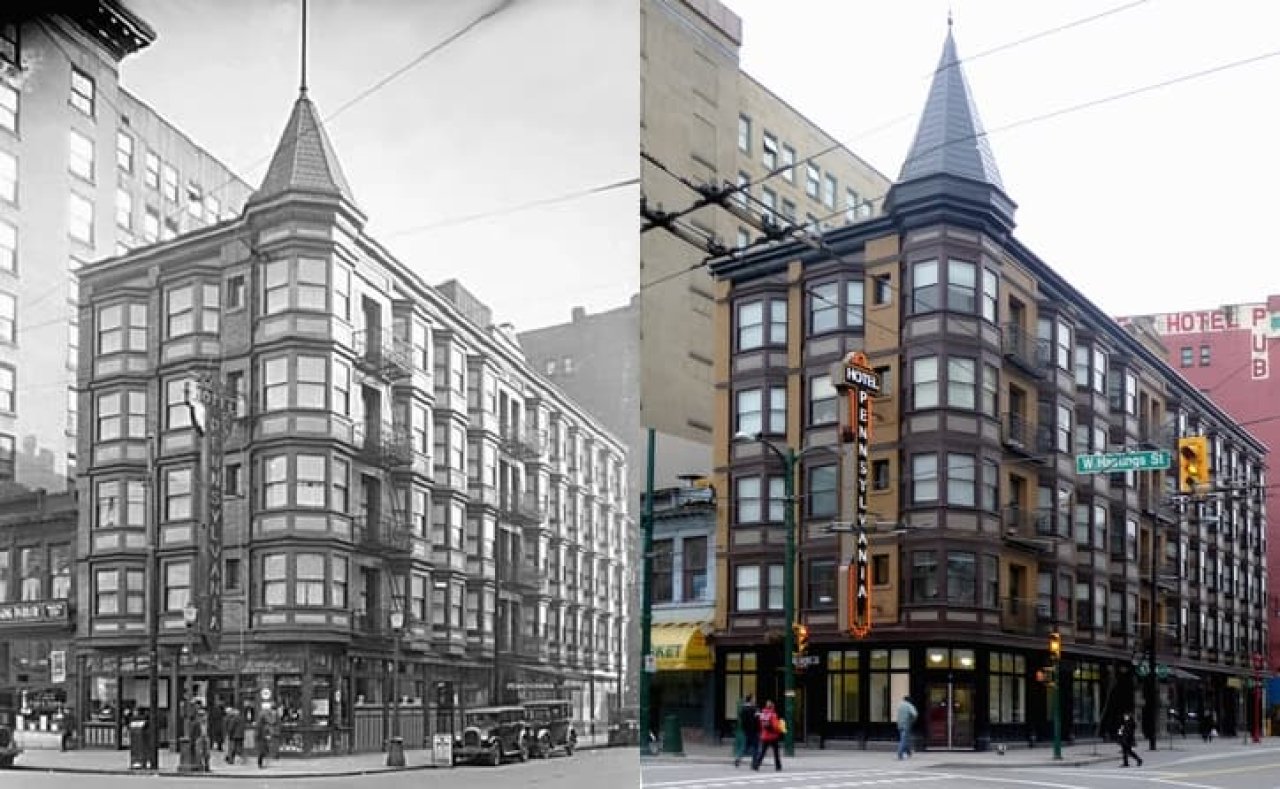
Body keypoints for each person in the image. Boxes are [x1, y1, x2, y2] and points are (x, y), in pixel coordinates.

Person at [751, 700, 782, 772]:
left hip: (765, 736)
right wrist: (779, 729)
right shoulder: (773, 714)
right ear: (772, 706)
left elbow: (760, 724)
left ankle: (756, 765)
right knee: (776, 752)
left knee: (762, 752)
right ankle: (778, 766)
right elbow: (775, 726)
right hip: (773, 736)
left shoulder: (763, 714)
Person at [734, 693, 758, 768]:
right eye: (754, 699)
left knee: (746, 746)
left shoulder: (743, 709)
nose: (755, 700)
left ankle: (738, 758)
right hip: (753, 730)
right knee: (755, 746)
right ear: (751, 700)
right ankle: (754, 763)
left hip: (746, 730)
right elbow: (755, 720)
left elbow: (742, 720)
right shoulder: (753, 709)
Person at [256, 703, 278, 768]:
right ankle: (261, 764)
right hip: (264, 734)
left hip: (262, 734)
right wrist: (274, 715)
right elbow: (271, 721)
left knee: (264, 749)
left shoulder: (262, 713)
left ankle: (262, 764)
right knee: (263, 749)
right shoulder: (265, 714)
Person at [896, 695, 918, 760]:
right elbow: (914, 714)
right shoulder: (909, 705)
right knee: (904, 740)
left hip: (900, 725)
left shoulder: (900, 706)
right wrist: (912, 721)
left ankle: (909, 752)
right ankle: (900, 753)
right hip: (906, 724)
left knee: (906, 738)